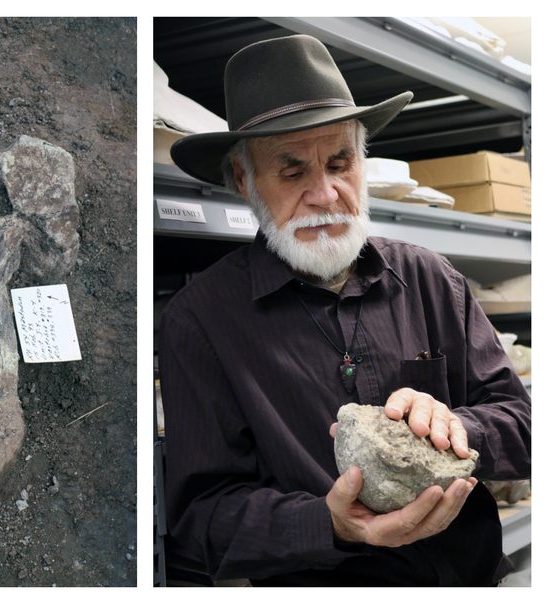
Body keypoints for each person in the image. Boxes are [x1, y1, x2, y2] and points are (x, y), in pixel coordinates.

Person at [160, 34, 531, 586]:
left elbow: (523, 427)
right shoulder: (199, 320)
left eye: (340, 162)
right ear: (244, 181)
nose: (327, 193)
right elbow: (201, 518)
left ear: (363, 161)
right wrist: (328, 524)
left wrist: (457, 427)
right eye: (292, 171)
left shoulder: (431, 279)